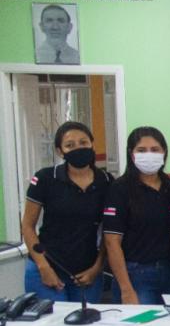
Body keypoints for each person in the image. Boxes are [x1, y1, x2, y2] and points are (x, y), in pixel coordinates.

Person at [21, 121, 111, 302]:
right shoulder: (45, 178)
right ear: (59, 151)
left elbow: (109, 231)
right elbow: (28, 226)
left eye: (83, 142)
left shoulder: (107, 181)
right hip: (46, 268)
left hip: (87, 272)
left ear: (92, 144)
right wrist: (43, 267)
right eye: (70, 145)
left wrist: (97, 268)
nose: (78, 148)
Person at [103, 126, 170, 304]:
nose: (149, 154)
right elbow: (112, 242)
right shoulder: (120, 188)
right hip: (135, 275)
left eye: (155, 150)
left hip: (169, 272)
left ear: (164, 152)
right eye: (142, 150)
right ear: (131, 154)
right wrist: (126, 289)